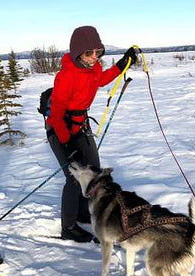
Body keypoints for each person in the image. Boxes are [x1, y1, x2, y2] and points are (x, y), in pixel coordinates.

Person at [46, 26, 137, 242]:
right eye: (89, 53)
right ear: (78, 53)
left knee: (94, 172)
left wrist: (123, 64)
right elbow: (57, 115)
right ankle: (67, 227)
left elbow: (102, 79)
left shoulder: (92, 69)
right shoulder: (66, 76)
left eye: (98, 52)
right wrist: (67, 146)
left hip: (81, 125)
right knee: (74, 177)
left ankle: (82, 212)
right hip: (60, 129)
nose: (94, 57)